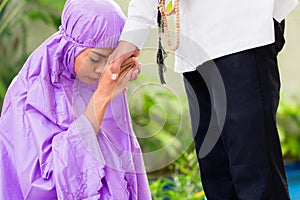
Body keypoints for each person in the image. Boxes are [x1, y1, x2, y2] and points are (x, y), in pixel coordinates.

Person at [108, 0, 298, 199]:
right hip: (193, 51)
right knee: (217, 179)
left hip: (241, 35)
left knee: (255, 177)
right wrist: (132, 36)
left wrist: (269, 18)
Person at [0, 0, 151, 199]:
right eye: (96, 59)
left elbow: (125, 162)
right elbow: (43, 185)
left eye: (110, 58)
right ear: (70, 46)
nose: (101, 70)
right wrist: (101, 97)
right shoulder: (30, 94)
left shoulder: (100, 78)